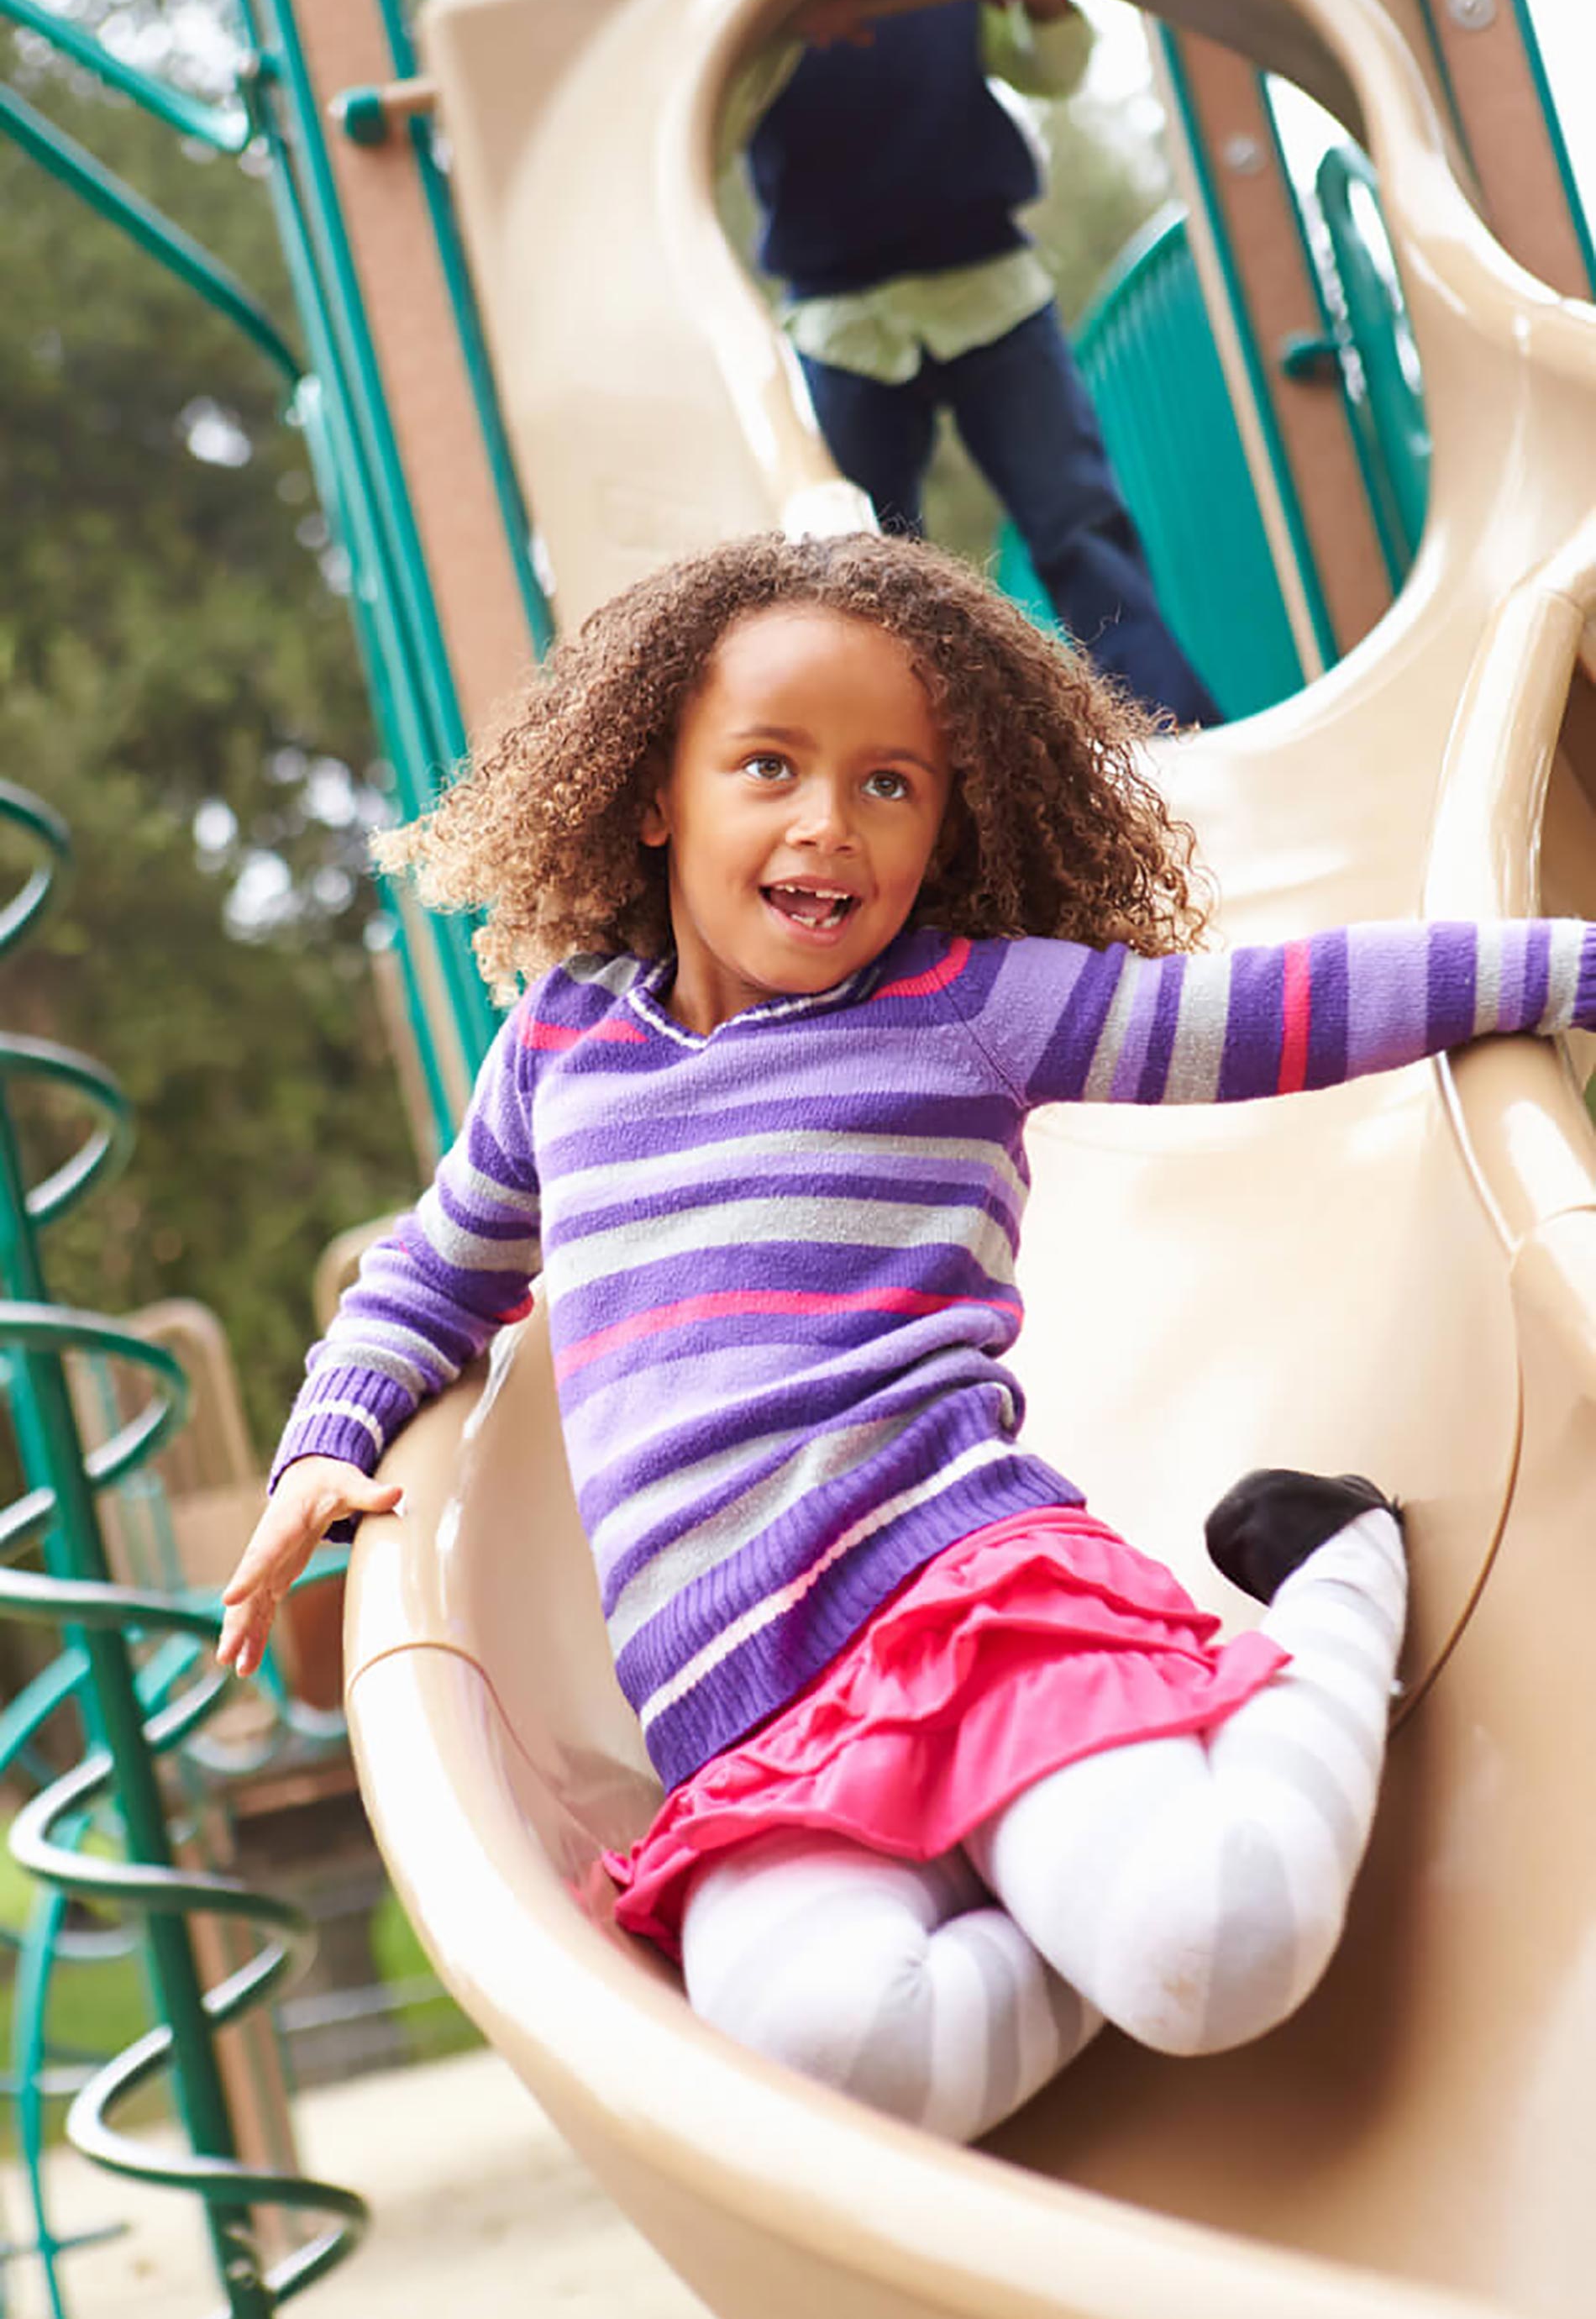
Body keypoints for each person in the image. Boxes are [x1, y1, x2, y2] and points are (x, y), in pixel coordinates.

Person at [219, 531, 1591, 2144]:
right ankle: (1086, 1875)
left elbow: (1274, 1008)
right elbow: (435, 1268)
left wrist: (1575, 967)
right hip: (748, 1719)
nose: (828, 821)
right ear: (655, 786)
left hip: (963, 1606)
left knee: (1221, 1947)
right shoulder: (560, 1049)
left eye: (892, 784)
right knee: (826, 2061)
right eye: (770, 765)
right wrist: (324, 1440)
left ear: (952, 819)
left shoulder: (968, 1004)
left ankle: (1339, 1586)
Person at [739, 0, 1223, 726]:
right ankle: (902, 743)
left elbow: (1053, 72)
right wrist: (783, 33)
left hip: (987, 285)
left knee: (1077, 518)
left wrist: (1044, 7)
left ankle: (1168, 724)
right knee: (859, 557)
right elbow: (718, 111)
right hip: (845, 317)